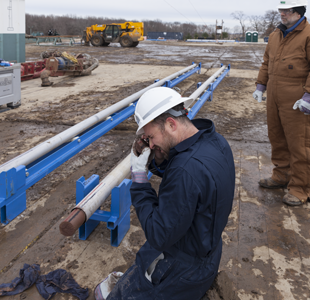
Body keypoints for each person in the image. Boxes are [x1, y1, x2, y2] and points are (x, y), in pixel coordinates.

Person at [95, 87, 236, 299]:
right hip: (207, 249)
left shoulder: (185, 171)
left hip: (183, 269)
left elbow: (158, 235)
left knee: (121, 295)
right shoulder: (215, 141)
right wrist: (155, 158)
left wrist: (140, 178)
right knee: (140, 264)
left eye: (151, 137)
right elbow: (188, 181)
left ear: (171, 124)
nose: (150, 143)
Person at [253, 0, 310, 206]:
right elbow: (266, 62)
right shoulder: (275, 35)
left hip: (297, 98)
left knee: (299, 144)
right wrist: (261, 85)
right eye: (281, 10)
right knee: (277, 137)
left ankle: (300, 188)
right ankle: (281, 175)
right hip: (274, 95)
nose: (282, 14)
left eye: (287, 10)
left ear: (299, 12)